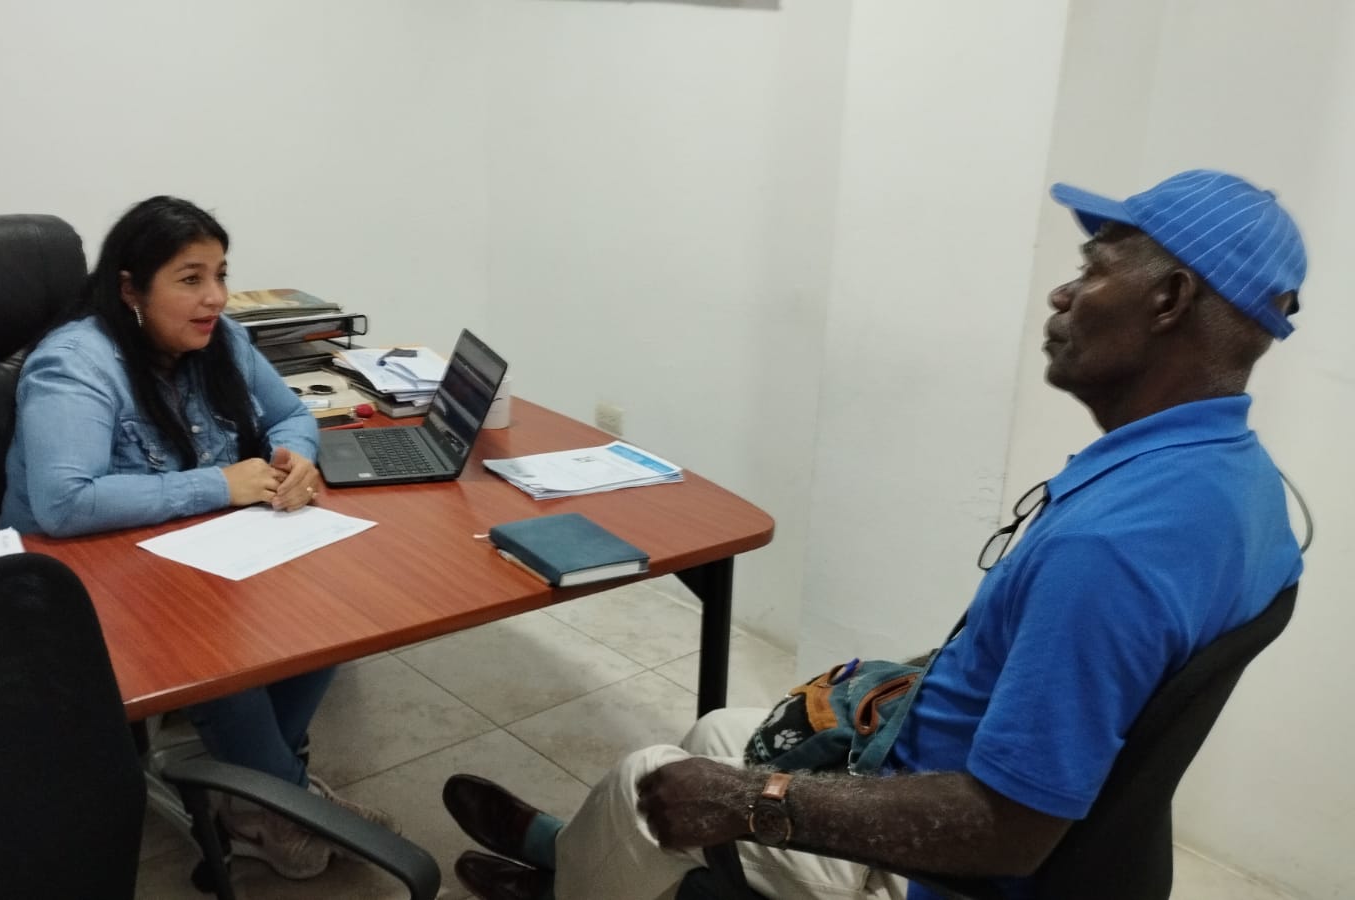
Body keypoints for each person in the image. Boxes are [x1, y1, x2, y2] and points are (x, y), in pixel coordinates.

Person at [439, 169, 1308, 900]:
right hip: (961, 777)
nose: (1062, 293)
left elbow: (1006, 828)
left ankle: (567, 878)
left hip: (947, 866)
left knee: (651, 782)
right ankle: (574, 861)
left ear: (1168, 299)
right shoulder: (1241, 487)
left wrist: (752, 803)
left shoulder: (1113, 548)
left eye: (1093, 268)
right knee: (715, 735)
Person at [0, 195, 393, 881]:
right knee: (218, 648)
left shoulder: (222, 339)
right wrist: (220, 485)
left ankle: (254, 796)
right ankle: (283, 801)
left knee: (328, 612)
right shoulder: (76, 364)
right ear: (131, 289)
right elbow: (64, 503)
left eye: (220, 274)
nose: (215, 297)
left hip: (196, 548)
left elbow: (293, 415)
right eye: (190, 279)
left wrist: (297, 460)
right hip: (85, 570)